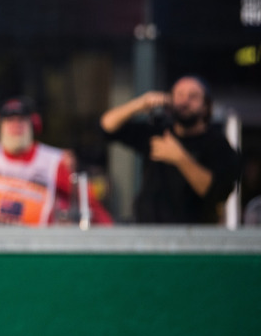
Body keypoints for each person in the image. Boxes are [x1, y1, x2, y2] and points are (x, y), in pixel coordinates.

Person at [100, 75, 241, 224]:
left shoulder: (217, 144)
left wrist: (179, 157)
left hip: (193, 236)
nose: (184, 101)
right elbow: (107, 127)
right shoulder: (158, 132)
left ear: (206, 106)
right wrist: (140, 104)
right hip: (148, 232)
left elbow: (216, 192)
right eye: (179, 95)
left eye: (193, 97)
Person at [0, 97, 112, 226]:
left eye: (22, 120)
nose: (16, 125)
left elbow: (86, 200)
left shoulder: (53, 161)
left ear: (34, 124)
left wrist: (111, 234)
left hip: (37, 246)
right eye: (10, 120)